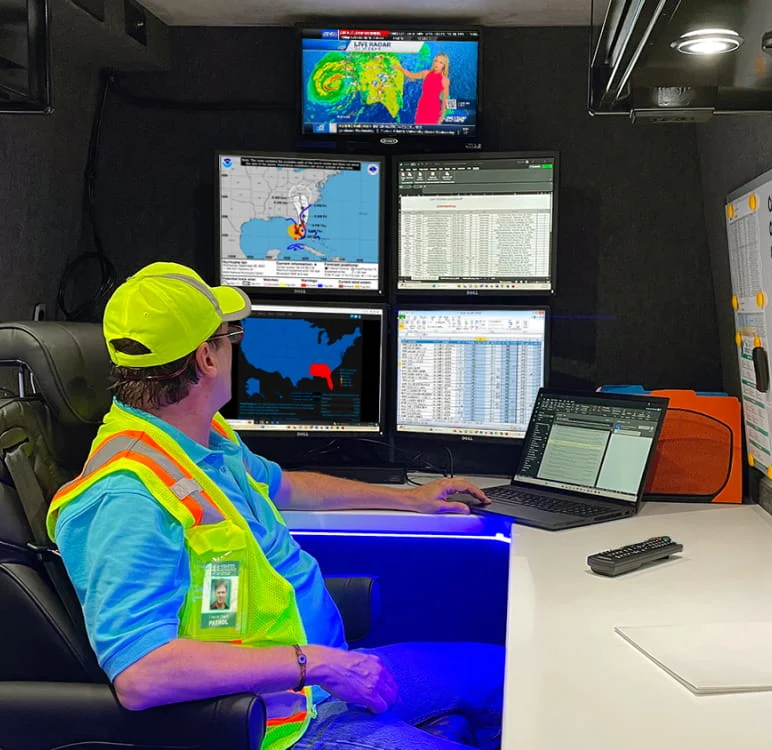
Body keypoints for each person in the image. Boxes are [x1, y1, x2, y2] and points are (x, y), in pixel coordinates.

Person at [46, 262, 504, 750]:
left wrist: (408, 499)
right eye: (231, 337)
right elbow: (142, 674)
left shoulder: (199, 436)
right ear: (206, 358)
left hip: (327, 678)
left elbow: (287, 486)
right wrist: (315, 662)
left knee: (508, 673)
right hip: (280, 723)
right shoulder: (125, 495)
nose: (233, 350)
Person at [395, 53, 451, 125]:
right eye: (436, 61)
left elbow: (445, 100)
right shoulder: (425, 73)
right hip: (422, 106)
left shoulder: (445, 80)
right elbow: (411, 75)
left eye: (441, 62)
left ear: (444, 66)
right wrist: (400, 68)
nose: (437, 64)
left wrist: (441, 117)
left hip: (433, 108)